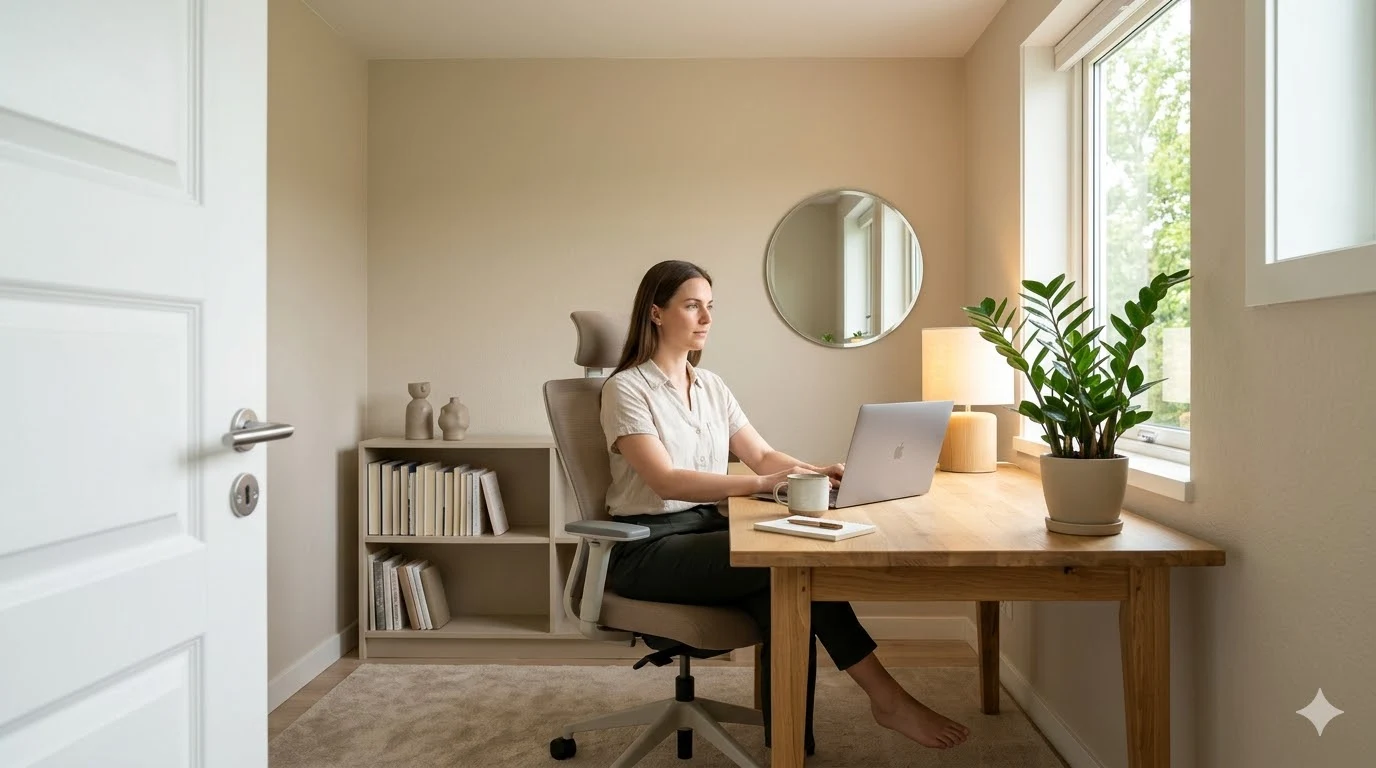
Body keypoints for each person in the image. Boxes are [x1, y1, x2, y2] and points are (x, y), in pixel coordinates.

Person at [599, 259, 971, 751]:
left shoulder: (710, 386)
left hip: (703, 530)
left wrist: (815, 471)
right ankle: (888, 700)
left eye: (710, 307)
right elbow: (665, 480)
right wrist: (764, 483)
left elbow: (760, 453)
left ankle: (791, 743)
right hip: (644, 549)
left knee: (790, 589)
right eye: (692, 306)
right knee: (793, 566)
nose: (707, 318)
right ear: (656, 312)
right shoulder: (625, 388)